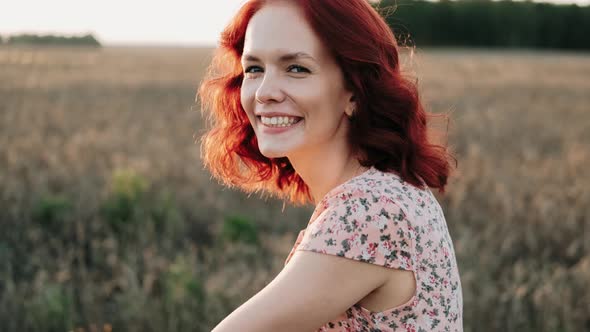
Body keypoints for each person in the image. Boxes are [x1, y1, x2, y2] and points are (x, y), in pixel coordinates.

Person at [198, 0, 463, 331]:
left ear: (355, 90)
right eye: (254, 68)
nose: (264, 92)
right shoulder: (386, 192)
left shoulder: (370, 210)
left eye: (296, 68)